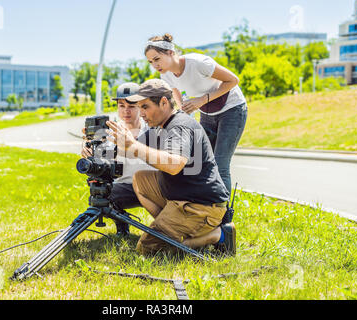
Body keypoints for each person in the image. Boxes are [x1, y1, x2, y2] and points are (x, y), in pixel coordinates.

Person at [106, 79, 236, 256]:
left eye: (145, 107)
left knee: (149, 250)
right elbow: (133, 151)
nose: (142, 113)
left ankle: (218, 235)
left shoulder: (179, 126)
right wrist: (96, 148)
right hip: (182, 196)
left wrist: (133, 146)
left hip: (200, 207)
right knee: (141, 179)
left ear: (164, 102)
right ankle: (169, 227)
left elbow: (174, 164)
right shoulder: (162, 125)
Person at [144, 34, 248, 223]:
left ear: (170, 52)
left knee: (220, 163)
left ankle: (224, 221)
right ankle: (202, 211)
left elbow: (233, 80)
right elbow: (176, 93)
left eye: (157, 59)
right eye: (151, 62)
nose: (155, 65)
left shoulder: (198, 63)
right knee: (201, 163)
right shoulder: (165, 74)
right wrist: (181, 115)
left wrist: (201, 100)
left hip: (232, 109)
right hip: (207, 113)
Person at [81, 82, 155, 236]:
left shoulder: (153, 129)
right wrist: (91, 156)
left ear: (141, 106)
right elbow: (103, 170)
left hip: (152, 187)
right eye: (121, 106)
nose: (126, 111)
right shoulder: (107, 134)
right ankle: (122, 223)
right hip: (123, 188)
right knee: (101, 195)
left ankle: (167, 227)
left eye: (132, 106)